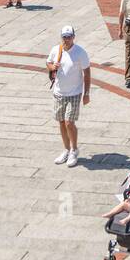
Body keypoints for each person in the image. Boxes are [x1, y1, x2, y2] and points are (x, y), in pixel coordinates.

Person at [46, 24, 91, 168]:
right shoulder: (56, 50)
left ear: (73, 37)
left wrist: (87, 93)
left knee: (69, 122)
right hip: (59, 92)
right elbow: (48, 62)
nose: (67, 40)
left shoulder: (80, 52)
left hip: (74, 93)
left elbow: (87, 72)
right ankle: (66, 149)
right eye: (64, 37)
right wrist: (52, 67)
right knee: (61, 122)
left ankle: (74, 150)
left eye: (69, 37)